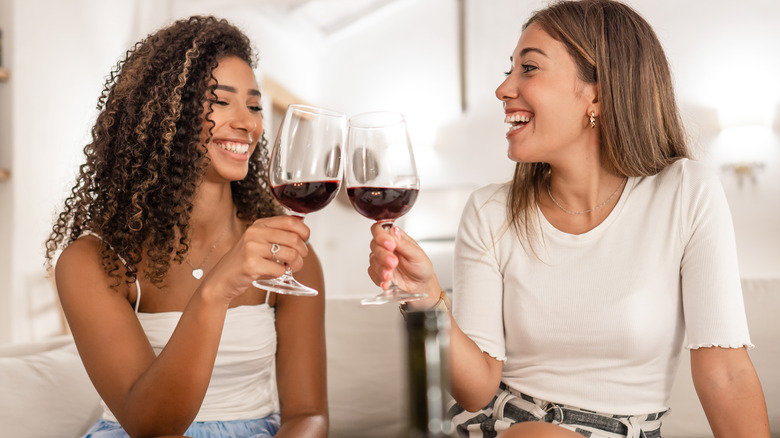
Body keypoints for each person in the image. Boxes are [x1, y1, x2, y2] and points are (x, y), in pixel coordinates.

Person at [366, 1, 770, 437]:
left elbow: (726, 373)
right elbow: (476, 391)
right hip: (493, 426)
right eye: (510, 70)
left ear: (598, 93)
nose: (503, 89)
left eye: (529, 68)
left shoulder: (686, 191)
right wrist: (425, 294)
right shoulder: (489, 210)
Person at [45, 16, 327, 438]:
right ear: (166, 114)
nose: (248, 123)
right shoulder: (92, 262)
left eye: (253, 106)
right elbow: (150, 425)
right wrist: (217, 290)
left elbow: (309, 415)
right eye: (220, 101)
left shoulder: (288, 257)